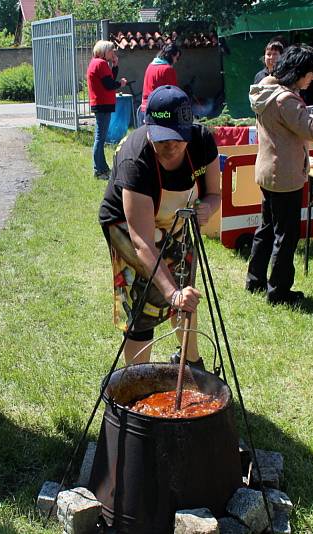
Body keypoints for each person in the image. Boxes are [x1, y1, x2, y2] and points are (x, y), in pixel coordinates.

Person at [99, 86, 221, 365]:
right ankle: (137, 380)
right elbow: (142, 241)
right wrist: (170, 293)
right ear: (148, 127)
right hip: (127, 227)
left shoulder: (202, 142)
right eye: (163, 139)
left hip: (176, 219)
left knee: (185, 290)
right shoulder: (135, 159)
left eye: (178, 139)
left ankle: (191, 363)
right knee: (146, 302)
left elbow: (214, 194)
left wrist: (208, 208)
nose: (171, 147)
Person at [245, 45, 313, 305]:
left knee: (266, 228)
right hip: (284, 176)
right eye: (310, 73)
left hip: (269, 171)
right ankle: (279, 293)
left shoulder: (267, 90)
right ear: (297, 71)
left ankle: (255, 281)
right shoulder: (284, 98)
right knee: (286, 235)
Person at [87, 40, 128, 180]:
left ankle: (102, 167)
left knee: (100, 137)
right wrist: (121, 84)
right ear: (104, 51)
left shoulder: (96, 63)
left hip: (100, 104)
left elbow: (108, 79)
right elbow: (110, 84)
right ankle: (99, 170)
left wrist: (115, 66)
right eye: (111, 51)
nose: (113, 53)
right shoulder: (101, 64)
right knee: (100, 138)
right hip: (103, 104)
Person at [138, 42, 181, 125]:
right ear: (172, 56)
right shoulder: (168, 69)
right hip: (159, 113)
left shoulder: (150, 66)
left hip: (144, 110)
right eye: (177, 58)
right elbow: (173, 94)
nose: (176, 61)